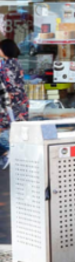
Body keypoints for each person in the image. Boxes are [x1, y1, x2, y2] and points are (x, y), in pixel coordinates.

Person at [0, 38, 30, 170]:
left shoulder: (9, 64)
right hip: (17, 101)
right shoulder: (13, 62)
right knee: (15, 129)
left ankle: (11, 154)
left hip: (13, 102)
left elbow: (11, 86)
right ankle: (14, 155)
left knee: (11, 129)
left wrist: (8, 100)